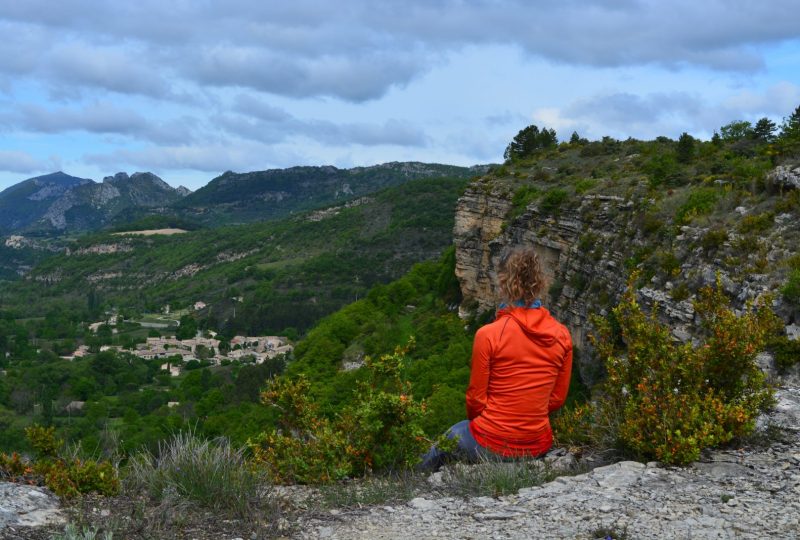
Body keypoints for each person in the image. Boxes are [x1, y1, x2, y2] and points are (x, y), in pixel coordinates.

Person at [420, 246, 572, 470]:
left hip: (492, 440)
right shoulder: (562, 335)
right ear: (540, 282)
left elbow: (475, 400)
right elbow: (557, 399)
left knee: (451, 436)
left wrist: (493, 423)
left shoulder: (489, 334)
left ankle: (410, 482)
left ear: (502, 282)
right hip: (538, 444)